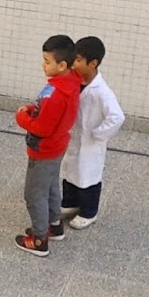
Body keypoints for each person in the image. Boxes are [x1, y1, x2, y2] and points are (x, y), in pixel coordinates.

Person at [13, 35, 83, 258]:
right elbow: (49, 114)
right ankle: (54, 225)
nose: (43, 65)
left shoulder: (55, 94)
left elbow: (42, 128)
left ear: (61, 65)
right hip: (58, 146)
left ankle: (39, 239)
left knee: (34, 194)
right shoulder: (71, 83)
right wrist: (34, 108)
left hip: (43, 150)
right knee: (51, 186)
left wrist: (22, 117)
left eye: (47, 61)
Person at [60, 37, 125, 230]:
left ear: (93, 63)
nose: (74, 63)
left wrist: (98, 134)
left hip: (90, 143)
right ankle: (70, 203)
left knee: (88, 178)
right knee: (70, 173)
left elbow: (117, 117)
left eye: (78, 60)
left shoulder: (102, 91)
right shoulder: (75, 81)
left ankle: (89, 212)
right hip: (74, 138)